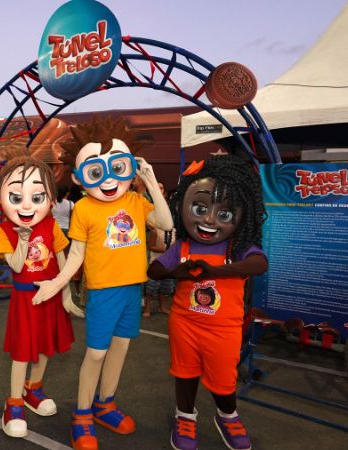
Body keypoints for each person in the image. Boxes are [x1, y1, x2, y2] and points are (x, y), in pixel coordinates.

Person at [32, 117, 173, 450]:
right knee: (96, 354)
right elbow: (77, 255)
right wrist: (57, 283)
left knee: (120, 351)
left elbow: (165, 223)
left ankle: (105, 404)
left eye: (117, 168)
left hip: (131, 290)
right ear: (81, 178)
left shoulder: (136, 203)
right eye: (97, 172)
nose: (109, 180)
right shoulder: (83, 208)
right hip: (104, 292)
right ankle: (82, 414)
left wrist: (150, 181)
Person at [147, 155, 268, 450]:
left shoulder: (236, 247)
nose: (209, 220)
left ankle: (227, 415)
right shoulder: (183, 246)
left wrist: (217, 271)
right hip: (185, 324)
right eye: (200, 208)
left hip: (224, 329)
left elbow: (259, 263)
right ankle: (185, 416)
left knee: (224, 378)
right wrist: (179, 272)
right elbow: (154, 270)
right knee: (185, 373)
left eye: (223, 214)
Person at [0, 156, 84, 438]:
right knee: (22, 352)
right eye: (17, 197)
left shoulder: (52, 225)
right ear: (0, 200)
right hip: (25, 300)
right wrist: (22, 238)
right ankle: (14, 402)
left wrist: (66, 295)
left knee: (45, 347)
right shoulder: (4, 229)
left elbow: (62, 263)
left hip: (51, 297)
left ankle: (33, 388)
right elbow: (17, 266)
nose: (27, 205)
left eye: (37, 196)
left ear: (51, 199)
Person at [143, 183, 175, 317]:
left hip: (169, 243)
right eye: (156, 187)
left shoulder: (171, 206)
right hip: (156, 248)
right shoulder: (148, 205)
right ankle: (147, 308)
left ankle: (162, 306)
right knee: (151, 285)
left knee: (166, 285)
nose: (159, 190)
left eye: (162, 188)